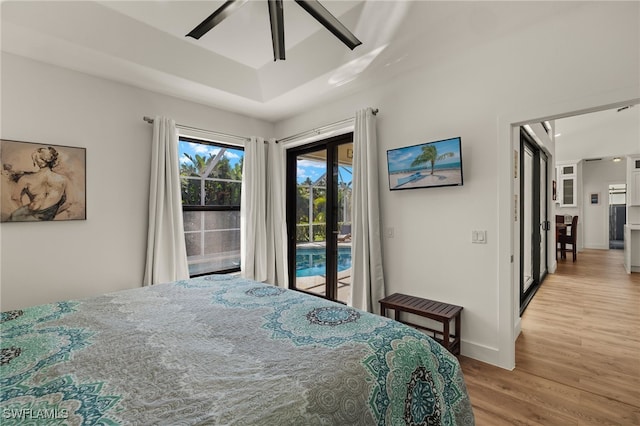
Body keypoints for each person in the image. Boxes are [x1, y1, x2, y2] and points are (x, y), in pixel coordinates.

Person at [8, 147, 68, 221]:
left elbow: (15, 198)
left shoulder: (26, 179)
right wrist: (52, 214)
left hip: (26, 216)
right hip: (46, 216)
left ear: (36, 161)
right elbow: (69, 202)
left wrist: (26, 214)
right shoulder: (63, 179)